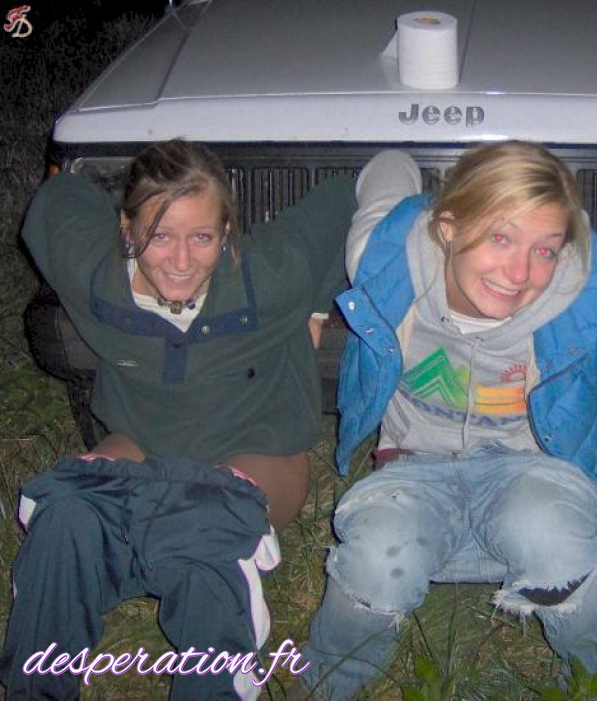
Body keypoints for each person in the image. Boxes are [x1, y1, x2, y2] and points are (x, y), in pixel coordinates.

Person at [297, 142, 597, 699]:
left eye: (545, 249)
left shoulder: (579, 296)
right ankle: (324, 684)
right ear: (448, 227)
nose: (520, 273)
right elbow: (388, 164)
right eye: (500, 237)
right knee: (377, 553)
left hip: (532, 469)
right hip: (412, 467)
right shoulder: (387, 266)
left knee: (553, 538)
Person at [0, 139, 355, 699]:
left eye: (203, 237)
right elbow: (55, 199)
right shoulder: (98, 277)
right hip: (145, 443)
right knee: (67, 513)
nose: (182, 260)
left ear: (228, 233)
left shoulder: (267, 274)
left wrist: (316, 301)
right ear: (126, 229)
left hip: (255, 446)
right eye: (160, 235)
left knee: (205, 525)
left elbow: (350, 195)